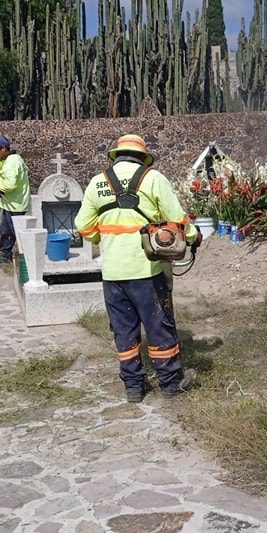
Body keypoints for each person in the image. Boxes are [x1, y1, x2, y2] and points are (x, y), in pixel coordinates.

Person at [75, 134, 202, 403]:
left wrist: (106, 239)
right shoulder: (153, 178)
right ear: (143, 157)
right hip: (147, 270)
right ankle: (171, 383)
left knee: (124, 330)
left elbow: (84, 226)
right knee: (159, 326)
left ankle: (134, 387)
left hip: (112, 274)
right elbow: (177, 218)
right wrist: (193, 236)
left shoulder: (98, 183)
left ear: (117, 155)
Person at [0, 136, 31, 266]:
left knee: (17, 232)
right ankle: (6, 255)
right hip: (10, 204)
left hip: (15, 205)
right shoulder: (13, 159)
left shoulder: (12, 162)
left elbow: (11, 184)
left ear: (3, 149)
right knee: (5, 230)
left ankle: (29, 258)